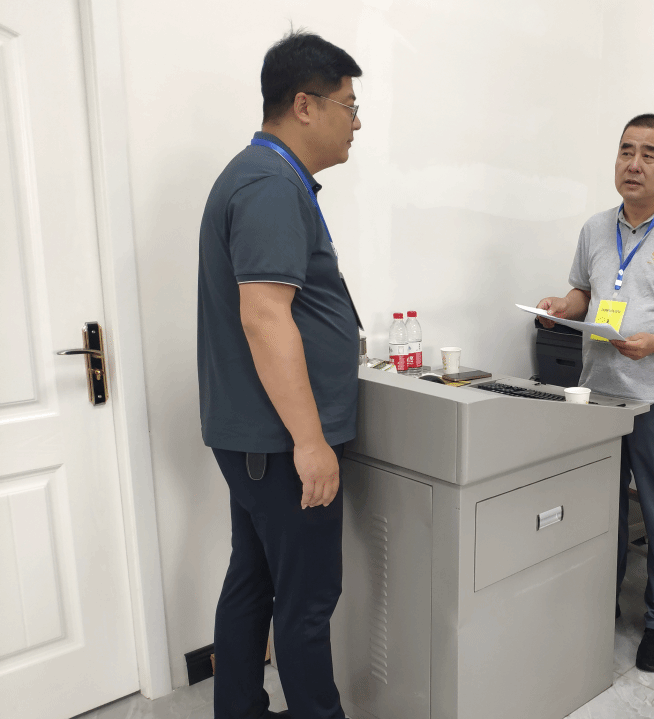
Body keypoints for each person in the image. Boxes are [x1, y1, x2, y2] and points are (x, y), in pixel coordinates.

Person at [197, 30, 363, 719]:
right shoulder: (269, 184)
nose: (357, 122)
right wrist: (311, 441)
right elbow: (266, 317)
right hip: (281, 442)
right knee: (306, 601)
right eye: (349, 106)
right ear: (304, 105)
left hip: (255, 438)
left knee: (253, 579)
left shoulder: (265, 176)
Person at [537, 114, 654, 673]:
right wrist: (562, 308)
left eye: (649, 154)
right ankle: (603, 602)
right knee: (602, 506)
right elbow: (583, 292)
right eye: (626, 151)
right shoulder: (596, 228)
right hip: (597, 394)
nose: (634, 164)